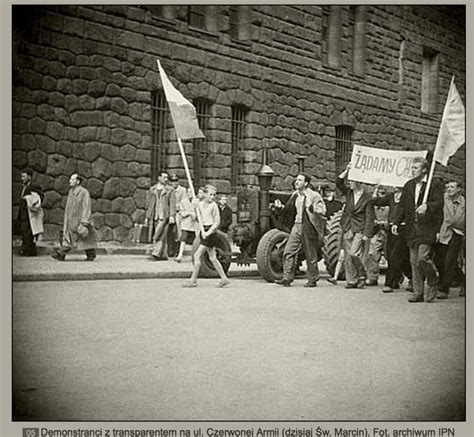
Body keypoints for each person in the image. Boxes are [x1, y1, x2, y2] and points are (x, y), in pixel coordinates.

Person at [392, 157, 444, 303]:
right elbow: (402, 206)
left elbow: (439, 203)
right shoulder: (408, 185)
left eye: (416, 168)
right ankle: (418, 292)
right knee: (413, 261)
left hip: (427, 228)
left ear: (424, 170)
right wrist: (396, 222)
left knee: (422, 258)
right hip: (411, 228)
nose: (412, 170)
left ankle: (433, 278)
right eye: (412, 168)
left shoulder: (434, 184)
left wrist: (428, 206)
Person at [275, 174, 327, 287]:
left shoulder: (314, 195)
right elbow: (289, 209)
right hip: (297, 226)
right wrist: (280, 208)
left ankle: (312, 279)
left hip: (309, 226)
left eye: (299, 180)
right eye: (296, 180)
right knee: (288, 251)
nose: (296, 182)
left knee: (310, 253)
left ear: (306, 183)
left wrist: (314, 209)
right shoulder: (295, 195)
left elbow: (322, 210)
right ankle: (287, 278)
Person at [336, 164, 375, 289]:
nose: (350, 182)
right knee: (348, 256)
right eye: (350, 180)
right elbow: (339, 183)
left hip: (360, 228)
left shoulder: (368, 197)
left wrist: (367, 234)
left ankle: (362, 273)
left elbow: (370, 216)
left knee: (353, 253)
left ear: (359, 181)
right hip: (348, 226)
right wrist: (346, 170)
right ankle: (352, 280)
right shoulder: (349, 193)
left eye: (352, 180)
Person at [183, 185, 229, 288]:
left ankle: (193, 280)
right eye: (210, 194)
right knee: (212, 258)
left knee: (197, 255)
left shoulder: (214, 206)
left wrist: (208, 233)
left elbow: (217, 222)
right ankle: (224, 278)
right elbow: (196, 217)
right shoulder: (200, 204)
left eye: (214, 195)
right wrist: (194, 207)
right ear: (205, 194)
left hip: (210, 233)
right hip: (203, 230)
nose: (212, 197)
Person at [372, 185, 412, 293]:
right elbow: (377, 202)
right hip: (390, 229)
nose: (395, 186)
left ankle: (389, 283)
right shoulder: (391, 196)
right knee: (394, 256)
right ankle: (410, 278)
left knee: (396, 255)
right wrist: (376, 190)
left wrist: (398, 223)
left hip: (402, 228)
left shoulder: (408, 196)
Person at [50, 174, 97, 261]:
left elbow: (86, 207)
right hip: (71, 220)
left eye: (72, 180)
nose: (70, 181)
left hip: (79, 220)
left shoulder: (84, 192)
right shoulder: (71, 192)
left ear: (78, 182)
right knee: (71, 238)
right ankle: (61, 254)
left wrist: (84, 222)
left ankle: (90, 253)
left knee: (83, 238)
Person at [434, 180, 465, 299]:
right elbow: (438, 214)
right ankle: (464, 281)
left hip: (457, 234)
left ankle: (444, 289)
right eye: (448, 187)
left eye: (452, 187)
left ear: (459, 189)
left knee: (449, 262)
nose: (449, 189)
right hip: (443, 233)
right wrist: (437, 231)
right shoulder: (443, 198)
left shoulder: (465, 203)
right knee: (439, 261)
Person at [146, 171, 176, 260]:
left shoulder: (170, 190)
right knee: (161, 234)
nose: (166, 179)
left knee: (159, 234)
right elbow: (150, 204)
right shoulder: (152, 189)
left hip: (164, 215)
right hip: (155, 215)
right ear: (159, 178)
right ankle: (163, 254)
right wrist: (148, 216)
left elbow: (172, 204)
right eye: (164, 177)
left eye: (166, 177)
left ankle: (156, 253)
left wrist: (172, 215)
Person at [15, 168, 44, 256]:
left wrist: (30, 199)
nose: (22, 178)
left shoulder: (34, 186)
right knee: (25, 232)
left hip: (30, 214)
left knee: (28, 233)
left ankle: (28, 251)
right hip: (23, 214)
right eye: (22, 176)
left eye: (24, 176)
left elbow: (40, 197)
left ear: (29, 177)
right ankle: (28, 250)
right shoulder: (24, 187)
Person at [364, 186, 389, 286]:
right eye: (379, 193)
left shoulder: (389, 206)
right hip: (377, 232)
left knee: (390, 255)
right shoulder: (374, 207)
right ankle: (372, 277)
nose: (380, 196)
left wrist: (385, 223)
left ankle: (396, 278)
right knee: (373, 253)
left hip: (388, 232)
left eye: (382, 193)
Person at [175, 188, 197, 263]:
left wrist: (195, 215)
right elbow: (181, 212)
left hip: (194, 225)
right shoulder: (183, 202)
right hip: (186, 223)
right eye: (188, 192)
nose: (189, 194)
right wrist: (189, 213)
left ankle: (195, 256)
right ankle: (180, 254)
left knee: (195, 241)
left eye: (191, 192)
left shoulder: (196, 202)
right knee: (183, 238)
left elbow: (199, 213)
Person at [168, 174, 187, 257]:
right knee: (169, 232)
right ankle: (170, 250)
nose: (174, 183)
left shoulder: (182, 190)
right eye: (172, 181)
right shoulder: (168, 189)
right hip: (169, 213)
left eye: (176, 181)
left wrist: (175, 206)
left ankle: (177, 250)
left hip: (178, 213)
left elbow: (184, 201)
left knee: (178, 232)